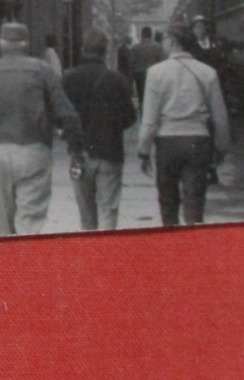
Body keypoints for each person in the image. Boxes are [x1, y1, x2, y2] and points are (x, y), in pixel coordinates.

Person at [0, 21, 84, 236]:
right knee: (30, 222)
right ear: (26, 44)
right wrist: (76, 153)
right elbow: (68, 114)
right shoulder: (42, 70)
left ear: (1, 43)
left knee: (1, 226)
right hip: (34, 150)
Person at [137, 25, 231, 227]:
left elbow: (150, 120)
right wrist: (221, 148)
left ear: (171, 41)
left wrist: (143, 150)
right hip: (198, 142)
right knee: (194, 202)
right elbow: (220, 118)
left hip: (167, 143)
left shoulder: (155, 73)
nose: (163, 45)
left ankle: (172, 247)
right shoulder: (208, 73)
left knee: (168, 202)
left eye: (164, 41)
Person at [61, 28, 137, 230]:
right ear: (105, 51)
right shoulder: (116, 80)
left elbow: (61, 116)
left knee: (86, 215)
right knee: (108, 210)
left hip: (79, 154)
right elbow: (130, 117)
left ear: (83, 49)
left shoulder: (69, 79)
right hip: (110, 152)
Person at [128, 25, 167, 110]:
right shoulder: (158, 48)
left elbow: (131, 64)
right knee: (154, 98)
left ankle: (143, 115)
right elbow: (163, 63)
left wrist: (131, 80)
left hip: (139, 76)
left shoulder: (135, 48)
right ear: (151, 35)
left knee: (142, 97)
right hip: (156, 75)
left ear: (141, 35)